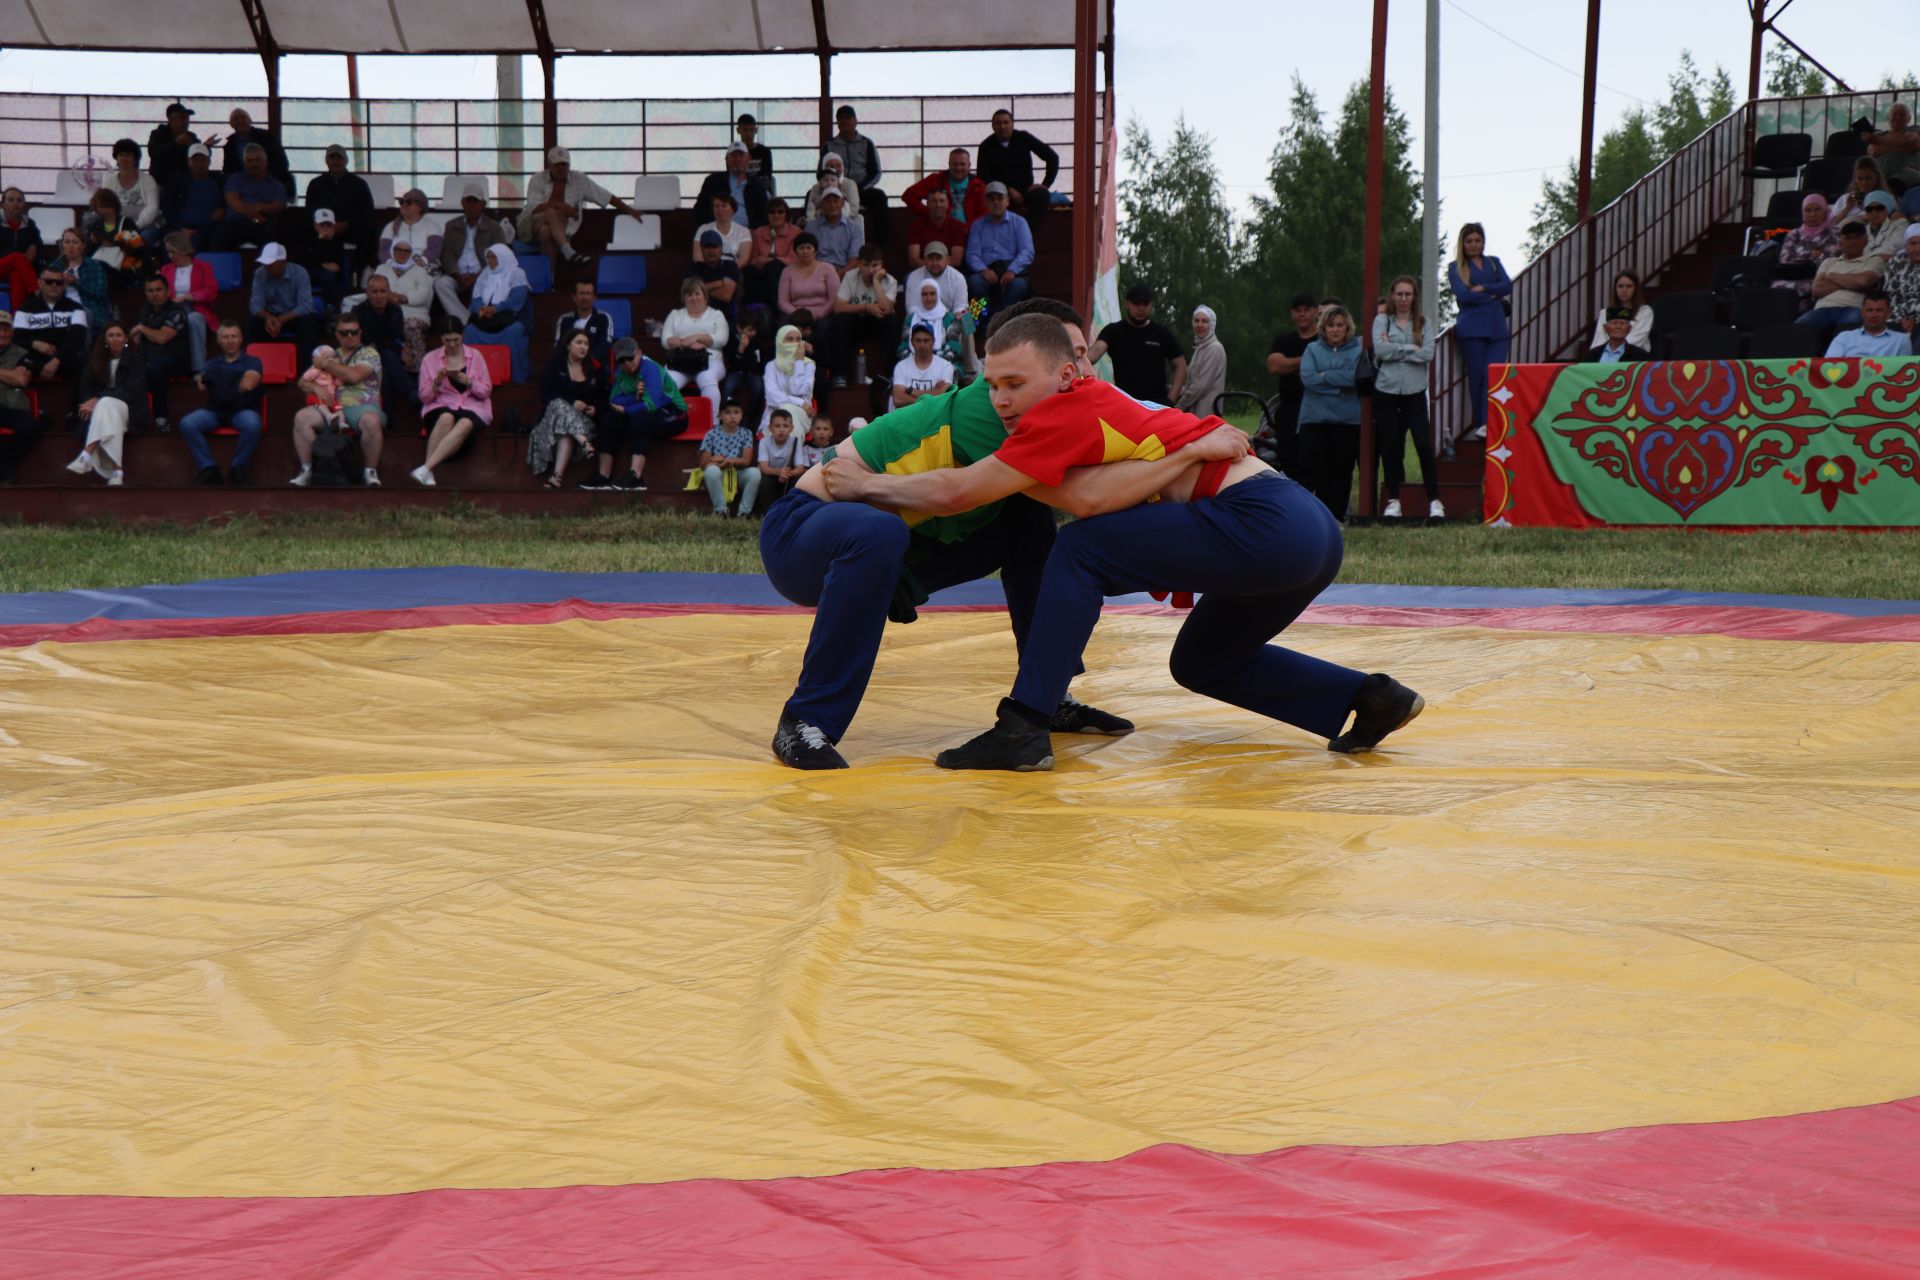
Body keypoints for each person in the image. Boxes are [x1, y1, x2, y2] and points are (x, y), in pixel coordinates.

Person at [820, 311, 1421, 770]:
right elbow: (1082, 492)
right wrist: (1188, 451)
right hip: (1307, 530)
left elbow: (966, 492)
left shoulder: (1063, 410)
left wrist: (868, 485)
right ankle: (1369, 698)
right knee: (1203, 661)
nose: (1000, 399)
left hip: (1263, 520)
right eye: (992, 384)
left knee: (1079, 549)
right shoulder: (1091, 406)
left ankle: (1024, 726)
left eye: (1014, 383)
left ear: (1067, 374)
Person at [756, 300, 1135, 769]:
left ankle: (1045, 694)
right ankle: (803, 721)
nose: (1082, 370)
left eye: (1083, 356)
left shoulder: (1050, 405)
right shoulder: (992, 410)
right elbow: (1087, 494)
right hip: (803, 533)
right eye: (1070, 356)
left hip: (903, 544)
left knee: (1028, 521)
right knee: (880, 531)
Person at [1369, 278, 1443, 521]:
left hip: (1414, 391)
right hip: (1387, 391)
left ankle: (1434, 501)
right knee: (1390, 446)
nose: (1403, 299)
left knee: (1423, 444)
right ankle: (1394, 501)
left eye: (1407, 294)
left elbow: (1428, 353)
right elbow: (1380, 350)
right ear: (1392, 296)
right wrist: (1411, 349)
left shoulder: (1424, 323)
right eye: (1399, 294)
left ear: (1414, 297)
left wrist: (1398, 349)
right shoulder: (1382, 320)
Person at [580, 337, 687, 492]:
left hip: (674, 412)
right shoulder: (620, 373)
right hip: (644, 410)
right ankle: (603, 476)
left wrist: (627, 408)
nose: (627, 363)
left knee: (639, 420)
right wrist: (634, 397)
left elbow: (651, 404)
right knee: (609, 420)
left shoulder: (650, 369)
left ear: (639, 353)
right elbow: (613, 400)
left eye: (630, 358)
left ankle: (635, 477)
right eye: (622, 360)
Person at [518, 146, 645, 274]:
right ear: (549, 164)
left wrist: (630, 210)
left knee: (545, 231)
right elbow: (533, 208)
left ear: (569, 164)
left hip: (561, 229)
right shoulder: (537, 179)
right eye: (557, 165)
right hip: (531, 225)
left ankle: (549, 281)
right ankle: (569, 252)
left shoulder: (579, 180)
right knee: (551, 212)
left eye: (564, 164)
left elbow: (605, 196)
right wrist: (560, 206)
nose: (561, 168)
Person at [290, 315, 384, 487]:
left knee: (371, 421)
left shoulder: (370, 353)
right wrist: (316, 388)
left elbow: (353, 376)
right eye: (344, 332)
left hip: (361, 406)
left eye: (354, 332)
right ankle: (309, 469)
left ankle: (370, 472)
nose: (350, 336)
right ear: (337, 335)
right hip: (331, 406)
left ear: (360, 333)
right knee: (302, 417)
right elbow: (302, 382)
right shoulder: (330, 354)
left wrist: (325, 364)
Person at [1294, 304, 1364, 519]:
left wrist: (1325, 377)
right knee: (1310, 470)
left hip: (1347, 421)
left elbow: (1356, 378)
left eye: (1340, 325)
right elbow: (1309, 379)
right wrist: (1340, 385)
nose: (1335, 329)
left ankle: (1336, 516)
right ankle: (1308, 518)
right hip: (1314, 420)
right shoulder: (1312, 350)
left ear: (1347, 328)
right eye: (1331, 325)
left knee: (1341, 472)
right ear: (1324, 328)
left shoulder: (1358, 350)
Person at [1446, 222, 1511, 443]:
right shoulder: (1455, 268)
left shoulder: (1494, 262)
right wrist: (1493, 295)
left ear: (1483, 242)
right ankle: (1482, 422)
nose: (1474, 245)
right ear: (1462, 244)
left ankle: (1494, 420)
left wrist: (1484, 288)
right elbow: (1463, 296)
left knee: (1494, 374)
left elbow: (1507, 286)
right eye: (1469, 241)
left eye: (1478, 240)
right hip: (1472, 329)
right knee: (1477, 378)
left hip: (1497, 328)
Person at [177, 321, 264, 486]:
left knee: (253, 423)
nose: (230, 340)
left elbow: (248, 384)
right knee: (188, 423)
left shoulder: (253, 361)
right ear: (218, 340)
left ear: (240, 339)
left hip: (242, 410)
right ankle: (209, 468)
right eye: (225, 337)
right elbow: (202, 383)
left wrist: (219, 382)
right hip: (215, 410)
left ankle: (238, 468)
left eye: (233, 336)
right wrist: (233, 381)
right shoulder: (210, 364)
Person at [413, 318, 492, 487]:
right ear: (441, 338)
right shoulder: (430, 359)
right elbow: (424, 397)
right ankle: (428, 471)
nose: (452, 344)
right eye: (447, 340)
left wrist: (469, 382)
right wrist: (437, 382)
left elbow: (486, 390)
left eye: (456, 339)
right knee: (446, 417)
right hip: (441, 405)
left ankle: (427, 468)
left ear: (462, 336)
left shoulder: (475, 356)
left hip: (472, 405)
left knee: (465, 423)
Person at [68, 323, 149, 485]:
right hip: (105, 413)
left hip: (130, 410)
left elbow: (131, 391)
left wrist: (98, 400)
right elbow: (85, 389)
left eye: (119, 335)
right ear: (105, 339)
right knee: (108, 411)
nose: (115, 339)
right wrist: (91, 402)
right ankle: (117, 472)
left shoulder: (136, 361)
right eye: (111, 335)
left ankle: (86, 454)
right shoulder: (96, 361)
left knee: (105, 403)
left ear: (126, 338)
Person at [531, 329, 607, 486]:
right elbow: (545, 393)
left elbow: (603, 397)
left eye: (586, 344)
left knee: (565, 431)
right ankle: (584, 443)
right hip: (551, 421)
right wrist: (572, 402)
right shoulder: (555, 365)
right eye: (579, 342)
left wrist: (595, 408)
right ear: (567, 345)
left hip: (583, 422)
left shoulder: (594, 369)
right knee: (559, 404)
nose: (583, 347)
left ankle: (556, 478)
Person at [1091, 284, 1188, 405]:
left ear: (1151, 305)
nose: (1141, 308)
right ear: (1127, 304)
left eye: (1145, 304)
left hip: (1156, 407)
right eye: (1137, 303)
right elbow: (1093, 355)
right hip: (1125, 405)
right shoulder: (1113, 331)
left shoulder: (1161, 333)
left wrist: (1170, 401)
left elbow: (1181, 366)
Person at [436, 184, 508, 324]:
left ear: (483, 204)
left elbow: (499, 258)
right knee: (441, 284)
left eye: (475, 201)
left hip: (483, 275)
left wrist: (477, 277)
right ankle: (466, 320)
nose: (471, 205)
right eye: (468, 201)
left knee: (495, 283)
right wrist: (456, 275)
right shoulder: (451, 226)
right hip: (457, 275)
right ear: (462, 203)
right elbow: (447, 253)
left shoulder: (494, 228)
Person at [831, 242, 898, 391]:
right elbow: (838, 307)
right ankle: (840, 375)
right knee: (840, 320)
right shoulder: (850, 276)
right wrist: (867, 307)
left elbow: (886, 308)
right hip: (858, 323)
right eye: (866, 265)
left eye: (875, 265)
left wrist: (876, 282)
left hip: (878, 325)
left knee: (890, 321)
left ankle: (893, 373)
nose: (870, 270)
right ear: (859, 264)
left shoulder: (890, 281)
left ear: (881, 265)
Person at [461, 244, 532, 382]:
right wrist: (481, 310)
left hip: (510, 317)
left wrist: (495, 309)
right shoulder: (485, 273)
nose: (490, 261)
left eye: (494, 257)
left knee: (515, 331)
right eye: (488, 257)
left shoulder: (517, 273)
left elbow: (517, 299)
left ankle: (514, 378)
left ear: (504, 258)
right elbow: (475, 299)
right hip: (486, 317)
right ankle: (472, 378)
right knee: (470, 330)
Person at [1797, 221, 1883, 333]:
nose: (1852, 242)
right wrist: (1853, 283)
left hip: (1853, 308)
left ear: (1865, 241)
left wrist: (1831, 276)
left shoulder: (1874, 260)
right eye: (1848, 238)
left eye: (1857, 237)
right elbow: (1817, 290)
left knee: (1848, 331)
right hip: (1823, 309)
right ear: (1840, 242)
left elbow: (1864, 281)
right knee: (1798, 329)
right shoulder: (1829, 262)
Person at [129, 273, 190, 429]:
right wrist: (135, 337)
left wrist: (142, 329)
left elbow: (162, 337)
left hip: (175, 359)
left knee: (154, 368)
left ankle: (161, 418)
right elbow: (133, 335)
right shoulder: (145, 310)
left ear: (168, 291)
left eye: (158, 289)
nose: (155, 294)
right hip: (148, 357)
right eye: (150, 291)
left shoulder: (177, 311)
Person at [977, 109, 1059, 222]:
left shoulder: (1023, 137)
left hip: (1026, 190)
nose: (1002, 127)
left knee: (1042, 195)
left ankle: (1027, 231)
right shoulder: (986, 146)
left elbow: (1052, 157)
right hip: (999, 193)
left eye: (1006, 122)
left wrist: (1045, 184)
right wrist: (1007, 189)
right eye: (998, 123)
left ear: (1012, 124)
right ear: (993, 126)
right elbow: (982, 175)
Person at [964, 184, 1035, 314]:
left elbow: (1027, 251)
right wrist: (983, 270)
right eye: (991, 199)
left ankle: (997, 321)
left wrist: (1012, 270)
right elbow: (972, 254)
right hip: (986, 271)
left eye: (1000, 198)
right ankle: (978, 324)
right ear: (985, 202)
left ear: (1007, 201)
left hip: (1012, 271)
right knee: (974, 283)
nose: (996, 202)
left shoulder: (1019, 222)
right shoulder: (977, 225)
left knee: (1020, 286)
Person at [306, 144, 378, 272]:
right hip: (322, 229)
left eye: (339, 158)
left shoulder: (359, 184)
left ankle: (358, 274)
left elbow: (367, 212)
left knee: (369, 234)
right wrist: (325, 227)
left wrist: (346, 224)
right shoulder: (316, 184)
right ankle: (319, 272)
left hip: (350, 229)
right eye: (332, 158)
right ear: (326, 161)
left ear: (346, 161)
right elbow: (310, 210)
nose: (335, 162)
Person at [13, 263, 90, 381]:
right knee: (17, 358)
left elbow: (77, 339)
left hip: (65, 358)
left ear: (64, 285)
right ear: (40, 283)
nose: (54, 285)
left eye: (58, 282)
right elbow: (17, 339)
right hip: (34, 357)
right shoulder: (25, 309)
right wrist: (34, 343)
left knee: (83, 358)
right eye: (49, 281)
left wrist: (56, 361)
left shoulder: (76, 308)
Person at [662, 276, 730, 405]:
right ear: (683, 298)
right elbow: (666, 340)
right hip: (679, 362)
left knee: (708, 379)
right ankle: (669, 420)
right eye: (689, 295)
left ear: (705, 296)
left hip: (710, 360)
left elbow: (722, 339)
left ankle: (712, 422)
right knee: (666, 383)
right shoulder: (675, 314)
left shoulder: (716, 314)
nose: (694, 298)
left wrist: (697, 337)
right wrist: (685, 343)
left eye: (697, 293)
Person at [353, 272, 415, 410]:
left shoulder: (395, 309)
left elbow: (398, 337)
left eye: (383, 291)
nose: (379, 296)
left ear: (389, 292)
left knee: (387, 370)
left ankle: (390, 419)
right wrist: (391, 344)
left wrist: (400, 348)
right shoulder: (359, 311)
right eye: (374, 292)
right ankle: (410, 393)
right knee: (386, 356)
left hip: (391, 354)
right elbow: (367, 342)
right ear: (367, 293)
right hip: (367, 356)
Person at [827, 106, 889, 243]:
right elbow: (822, 171)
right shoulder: (830, 145)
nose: (844, 122)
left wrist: (860, 187)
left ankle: (882, 245)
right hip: (835, 190)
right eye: (840, 119)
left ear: (855, 121)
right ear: (837, 123)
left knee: (879, 197)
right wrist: (834, 186)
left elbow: (876, 172)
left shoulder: (866, 143)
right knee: (811, 196)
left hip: (862, 190)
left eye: (848, 118)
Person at [248, 242, 320, 359]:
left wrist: (282, 319)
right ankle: (252, 366)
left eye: (271, 264)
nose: (267, 268)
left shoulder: (300, 272)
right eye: (265, 264)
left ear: (283, 262)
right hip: (270, 316)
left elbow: (306, 305)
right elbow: (255, 305)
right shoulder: (260, 274)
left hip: (294, 316)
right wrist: (267, 317)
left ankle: (307, 367)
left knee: (309, 322)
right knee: (252, 323)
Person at [776, 233, 839, 365]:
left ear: (815, 250)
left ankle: (824, 366)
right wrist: (797, 316)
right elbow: (782, 301)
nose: (805, 251)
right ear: (795, 251)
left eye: (809, 247)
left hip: (821, 313)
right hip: (795, 313)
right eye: (801, 248)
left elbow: (834, 299)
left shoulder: (828, 269)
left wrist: (817, 315)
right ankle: (785, 365)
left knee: (825, 326)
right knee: (783, 325)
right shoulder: (787, 271)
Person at [159, 231, 217, 372]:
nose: (170, 256)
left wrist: (187, 296)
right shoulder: (165, 270)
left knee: (194, 318)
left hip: (194, 309)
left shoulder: (203, 267)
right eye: (168, 252)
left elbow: (211, 291)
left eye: (173, 252)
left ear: (183, 250)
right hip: (171, 310)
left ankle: (199, 369)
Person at [215, 143, 288, 251]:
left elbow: (278, 206)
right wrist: (254, 214)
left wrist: (259, 208)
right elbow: (233, 201)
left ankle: (269, 267)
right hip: (236, 224)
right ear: (244, 163)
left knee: (275, 231)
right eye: (249, 161)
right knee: (219, 234)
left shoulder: (277, 185)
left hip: (264, 223)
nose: (254, 164)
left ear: (266, 161)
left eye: (257, 160)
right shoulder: (234, 179)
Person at [1773, 193, 1840, 309]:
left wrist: (1802, 257)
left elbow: (1830, 258)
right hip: (1791, 276)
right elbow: (1785, 260)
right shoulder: (1794, 234)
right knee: (1776, 288)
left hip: (1818, 278)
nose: (1812, 214)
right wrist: (1812, 255)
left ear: (1825, 211)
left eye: (1817, 209)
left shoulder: (1834, 233)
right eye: (1808, 210)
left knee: (1798, 289)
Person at [0, 311, 43, 484]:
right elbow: (14, 377)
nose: (2, 334)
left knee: (32, 426)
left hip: (12, 408)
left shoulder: (23, 354)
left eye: (6, 329)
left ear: (12, 332)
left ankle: (3, 466)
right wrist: (8, 375)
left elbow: (21, 379)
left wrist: (12, 377)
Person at [699, 398, 761, 517]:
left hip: (738, 473)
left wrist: (726, 461)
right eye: (728, 413)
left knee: (755, 473)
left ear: (742, 415)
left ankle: (744, 512)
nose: (732, 416)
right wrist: (713, 460)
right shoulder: (711, 434)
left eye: (736, 412)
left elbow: (746, 461)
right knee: (711, 471)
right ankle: (721, 510)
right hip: (719, 473)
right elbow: (703, 464)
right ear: (720, 416)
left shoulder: (746, 433)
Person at [159, 144, 226, 249]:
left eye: (202, 160)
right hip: (180, 227)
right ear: (188, 162)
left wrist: (222, 210)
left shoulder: (219, 181)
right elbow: (167, 209)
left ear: (209, 161)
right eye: (195, 160)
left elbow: (227, 203)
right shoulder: (177, 182)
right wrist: (181, 228)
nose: (199, 164)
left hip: (210, 227)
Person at [48, 227, 112, 330]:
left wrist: (76, 282)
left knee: (82, 314)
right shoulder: (55, 266)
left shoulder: (94, 265)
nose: (71, 246)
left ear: (83, 246)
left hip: (87, 308)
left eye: (75, 242)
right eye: (67, 242)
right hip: (60, 307)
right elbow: (46, 291)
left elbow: (100, 292)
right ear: (62, 245)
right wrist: (59, 285)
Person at [218, 108, 293, 197]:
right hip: (242, 187)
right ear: (231, 124)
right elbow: (228, 171)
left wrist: (263, 178)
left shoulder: (267, 137)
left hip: (269, 183)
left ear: (250, 120)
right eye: (235, 119)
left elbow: (282, 163)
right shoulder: (229, 146)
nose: (240, 121)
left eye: (243, 117)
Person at [904, 149, 988, 228]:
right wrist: (929, 214)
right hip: (940, 230)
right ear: (949, 164)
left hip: (970, 232)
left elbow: (983, 214)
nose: (959, 168)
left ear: (969, 165)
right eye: (955, 164)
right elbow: (908, 195)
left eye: (962, 164)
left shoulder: (979, 185)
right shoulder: (935, 179)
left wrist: (966, 228)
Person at [761, 323, 817, 436]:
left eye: (798, 339)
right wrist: (800, 402)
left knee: (788, 412)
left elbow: (798, 390)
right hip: (775, 411)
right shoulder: (771, 366)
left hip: (802, 414)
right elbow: (773, 396)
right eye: (789, 339)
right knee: (782, 416)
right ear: (780, 342)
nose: (795, 343)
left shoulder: (808, 365)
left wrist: (799, 362)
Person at [82, 188, 148, 283]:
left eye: (107, 207)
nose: (103, 210)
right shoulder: (93, 224)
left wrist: (112, 243)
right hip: (98, 263)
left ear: (114, 206)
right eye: (100, 207)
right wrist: (92, 242)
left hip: (122, 267)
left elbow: (138, 248)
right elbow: (86, 249)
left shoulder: (127, 223)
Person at [745, 197, 800, 308]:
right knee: (749, 271)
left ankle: (776, 307)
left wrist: (772, 259)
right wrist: (760, 261)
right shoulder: (759, 232)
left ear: (786, 214)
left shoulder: (795, 232)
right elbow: (754, 258)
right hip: (761, 269)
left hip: (785, 269)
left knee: (772, 267)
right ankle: (754, 309)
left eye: (780, 212)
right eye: (772, 212)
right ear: (767, 215)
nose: (776, 215)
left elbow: (793, 259)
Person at [724, 304, 775, 419]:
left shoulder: (757, 341)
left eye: (755, 330)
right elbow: (732, 363)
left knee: (758, 387)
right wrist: (741, 350)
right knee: (728, 387)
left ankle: (749, 419)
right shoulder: (732, 340)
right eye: (749, 330)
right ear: (739, 328)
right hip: (736, 372)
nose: (753, 333)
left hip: (753, 374)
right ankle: (725, 417)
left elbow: (758, 363)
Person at [104, 139, 163, 238]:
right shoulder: (109, 181)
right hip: (118, 224)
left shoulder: (148, 180)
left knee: (143, 240)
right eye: (120, 155)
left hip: (146, 226)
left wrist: (135, 227)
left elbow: (153, 209)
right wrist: (120, 227)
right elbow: (105, 206)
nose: (124, 158)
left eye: (127, 155)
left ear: (135, 158)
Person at [1176, 304, 1227, 419]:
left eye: (1204, 321)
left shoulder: (1214, 348)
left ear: (1212, 324)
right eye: (1196, 321)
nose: (1199, 325)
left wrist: (1179, 407)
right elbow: (1191, 382)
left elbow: (1200, 386)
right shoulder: (1200, 348)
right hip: (1195, 413)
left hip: (1206, 413)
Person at [295, 208, 352, 311]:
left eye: (328, 224)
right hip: (310, 274)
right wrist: (320, 242)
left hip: (329, 277)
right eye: (322, 225)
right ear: (315, 226)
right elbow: (305, 262)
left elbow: (336, 267)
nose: (326, 228)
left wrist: (318, 263)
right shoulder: (308, 241)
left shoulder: (337, 244)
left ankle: (331, 308)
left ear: (334, 226)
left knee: (329, 276)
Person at [1824, 289, 1909, 358]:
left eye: (1879, 310)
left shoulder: (1901, 340)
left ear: (1889, 313)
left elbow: (1903, 372)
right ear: (1862, 313)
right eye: (1869, 310)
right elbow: (1830, 366)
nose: (1874, 315)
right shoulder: (1844, 338)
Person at [890, 322, 955, 411]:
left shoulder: (946, 366)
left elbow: (944, 397)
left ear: (933, 341)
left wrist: (913, 392)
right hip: (908, 417)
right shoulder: (901, 366)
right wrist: (933, 392)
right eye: (918, 340)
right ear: (912, 342)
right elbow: (898, 400)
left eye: (926, 340)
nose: (922, 345)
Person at [1589, 269, 1653, 350]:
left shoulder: (1645, 311)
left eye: (1629, 286)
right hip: (1607, 356)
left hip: (1633, 357)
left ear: (1636, 289)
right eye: (1620, 286)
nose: (1624, 290)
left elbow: (1635, 340)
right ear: (1615, 289)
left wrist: (1613, 351)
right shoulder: (1605, 312)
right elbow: (1598, 341)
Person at [553, 279, 616, 359]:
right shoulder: (564, 319)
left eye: (588, 293)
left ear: (594, 297)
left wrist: (585, 362)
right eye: (581, 293)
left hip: (595, 365)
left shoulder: (604, 317)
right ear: (574, 297)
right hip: (570, 365)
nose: (585, 297)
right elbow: (559, 346)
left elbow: (605, 344)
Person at [378, 189, 444, 265]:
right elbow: (383, 250)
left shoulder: (432, 226)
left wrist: (422, 261)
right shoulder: (390, 227)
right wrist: (391, 264)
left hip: (424, 266)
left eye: (409, 202)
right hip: (394, 266)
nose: (404, 205)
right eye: (401, 202)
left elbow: (434, 249)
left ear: (419, 208)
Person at [1864, 103, 1920, 191]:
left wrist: (1877, 140)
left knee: (1893, 186)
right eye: (1895, 114)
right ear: (1888, 117)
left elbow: (1908, 140)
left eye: (1902, 114)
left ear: (1908, 118)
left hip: (1906, 175)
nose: (1898, 117)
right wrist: (1905, 149)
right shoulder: (1880, 134)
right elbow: (1873, 151)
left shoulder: (1914, 129)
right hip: (1879, 176)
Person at [804, 187, 862, 271]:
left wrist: (840, 275)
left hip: (845, 273)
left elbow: (855, 258)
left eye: (835, 201)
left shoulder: (855, 228)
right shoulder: (811, 227)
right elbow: (807, 256)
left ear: (842, 203)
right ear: (822, 205)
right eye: (828, 201)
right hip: (817, 272)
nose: (832, 205)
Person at [146, 103, 203, 188]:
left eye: (187, 119)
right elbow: (155, 154)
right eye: (182, 118)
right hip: (161, 183)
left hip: (185, 183)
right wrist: (175, 144)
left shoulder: (190, 136)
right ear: (171, 119)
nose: (186, 122)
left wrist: (206, 147)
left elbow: (199, 155)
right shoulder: (158, 134)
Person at [690, 231, 743, 322]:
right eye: (707, 247)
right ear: (701, 249)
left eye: (714, 247)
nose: (711, 251)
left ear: (721, 249)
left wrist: (699, 289)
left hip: (725, 318)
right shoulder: (694, 268)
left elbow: (726, 295)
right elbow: (688, 291)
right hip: (697, 318)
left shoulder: (730, 266)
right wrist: (719, 283)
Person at [757, 407, 806, 504]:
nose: (781, 430)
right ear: (770, 428)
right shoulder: (764, 442)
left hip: (788, 475)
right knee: (765, 481)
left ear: (791, 428)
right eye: (777, 426)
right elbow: (764, 467)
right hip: (771, 474)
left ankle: (791, 509)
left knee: (797, 480)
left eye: (785, 426)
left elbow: (800, 468)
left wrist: (786, 474)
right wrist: (779, 472)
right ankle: (768, 511)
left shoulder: (795, 442)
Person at [1883, 225, 1920, 353]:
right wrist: (1902, 318)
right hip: (1897, 316)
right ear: (1906, 245)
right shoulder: (1896, 262)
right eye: (1913, 243)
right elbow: (1891, 295)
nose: (1917, 248)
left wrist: (1915, 319)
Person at [803, 153, 862, 226]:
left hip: (845, 222)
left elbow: (854, 209)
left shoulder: (850, 184)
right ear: (824, 167)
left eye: (838, 165)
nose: (835, 169)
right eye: (831, 166)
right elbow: (810, 210)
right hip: (820, 223)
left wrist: (832, 216)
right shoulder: (816, 187)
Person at [1829, 157, 1890, 229]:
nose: (1864, 183)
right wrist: (1847, 208)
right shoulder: (1844, 199)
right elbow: (1830, 226)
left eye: (1868, 178)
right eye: (1860, 179)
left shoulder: (1886, 199)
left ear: (1877, 176)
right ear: (1855, 178)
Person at [694, 194, 752, 263]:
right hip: (707, 271)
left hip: (733, 270)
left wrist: (727, 270)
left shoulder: (744, 231)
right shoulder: (703, 229)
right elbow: (697, 257)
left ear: (732, 210)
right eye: (716, 206)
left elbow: (744, 259)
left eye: (724, 206)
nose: (720, 209)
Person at [1585, 305, 1652, 363]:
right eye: (1614, 323)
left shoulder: (1640, 356)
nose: (1618, 327)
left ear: (1629, 328)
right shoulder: (1592, 355)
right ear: (1605, 328)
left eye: (1622, 323)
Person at [1861, 191, 1909, 263]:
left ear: (1888, 207)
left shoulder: (1900, 224)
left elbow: (1893, 248)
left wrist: (1864, 258)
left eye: (1879, 208)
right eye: (1869, 209)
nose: (1874, 212)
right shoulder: (1861, 230)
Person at [735, 114, 776, 194]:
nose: (748, 133)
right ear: (738, 130)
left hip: (761, 190)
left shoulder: (764, 152)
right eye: (745, 130)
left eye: (751, 130)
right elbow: (733, 178)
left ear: (756, 130)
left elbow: (767, 177)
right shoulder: (734, 153)